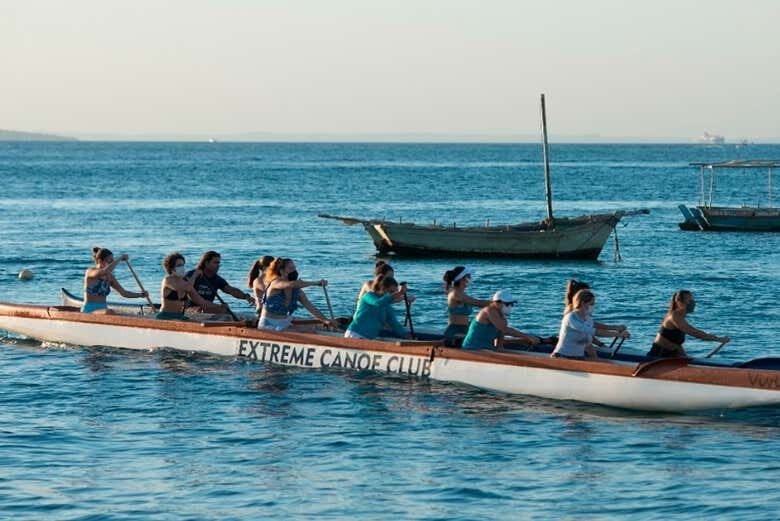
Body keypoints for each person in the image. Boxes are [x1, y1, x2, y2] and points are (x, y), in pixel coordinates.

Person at [258, 257, 336, 331]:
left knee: (310, 332)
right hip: (267, 324)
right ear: (282, 271)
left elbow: (312, 308)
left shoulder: (297, 292)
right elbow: (292, 284)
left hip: (284, 323)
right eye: (291, 268)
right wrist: (316, 283)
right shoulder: (275, 283)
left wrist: (326, 320)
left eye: (295, 268)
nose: (294, 271)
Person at [552, 289, 630, 360]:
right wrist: (618, 335)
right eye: (591, 303)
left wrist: (616, 327)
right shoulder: (571, 318)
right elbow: (595, 332)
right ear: (583, 303)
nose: (593, 306)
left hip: (578, 358)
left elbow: (595, 326)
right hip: (561, 356)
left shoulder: (587, 318)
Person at [648, 290, 729, 358]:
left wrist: (686, 358)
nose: (693, 303)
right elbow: (694, 333)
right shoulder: (674, 316)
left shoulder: (681, 317)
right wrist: (718, 339)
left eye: (693, 300)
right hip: (659, 355)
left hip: (672, 355)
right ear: (679, 302)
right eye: (689, 301)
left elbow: (675, 344)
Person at [461, 291, 541, 350]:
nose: (510, 307)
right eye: (507, 304)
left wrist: (526, 340)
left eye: (512, 304)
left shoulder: (503, 318)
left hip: (488, 348)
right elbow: (504, 329)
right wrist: (527, 336)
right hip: (473, 348)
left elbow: (499, 346)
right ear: (498, 303)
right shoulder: (488, 311)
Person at [156, 252, 225, 320]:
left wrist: (219, 306)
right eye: (179, 265)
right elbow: (187, 288)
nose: (182, 267)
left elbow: (202, 301)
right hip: (166, 315)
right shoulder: (168, 280)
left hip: (180, 316)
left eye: (183, 265)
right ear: (171, 268)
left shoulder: (184, 282)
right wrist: (194, 275)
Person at [563, 279, 628, 349]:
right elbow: (588, 331)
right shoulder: (573, 311)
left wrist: (615, 327)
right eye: (587, 294)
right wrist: (601, 344)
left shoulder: (583, 310)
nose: (590, 296)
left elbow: (591, 325)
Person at [184, 251, 255, 314]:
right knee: (211, 309)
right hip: (189, 310)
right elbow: (189, 293)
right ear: (206, 263)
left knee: (225, 311)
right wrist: (218, 306)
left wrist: (246, 297)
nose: (218, 265)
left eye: (219, 263)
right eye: (215, 262)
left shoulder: (217, 279)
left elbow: (231, 290)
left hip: (208, 308)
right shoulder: (192, 275)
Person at [82, 247, 148, 314]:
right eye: (109, 261)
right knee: (109, 312)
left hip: (103, 309)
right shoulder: (90, 272)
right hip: (89, 310)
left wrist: (140, 295)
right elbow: (105, 271)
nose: (112, 263)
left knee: (120, 313)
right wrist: (120, 258)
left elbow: (124, 293)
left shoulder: (109, 277)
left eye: (112, 261)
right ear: (100, 261)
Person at [346, 276, 410, 340]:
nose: (393, 294)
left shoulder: (387, 306)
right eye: (391, 292)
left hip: (368, 338)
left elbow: (394, 324)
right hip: (354, 334)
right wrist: (400, 293)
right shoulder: (369, 296)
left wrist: (407, 336)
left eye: (394, 292)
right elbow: (377, 303)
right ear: (383, 289)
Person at [442, 266, 491, 347]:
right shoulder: (456, 294)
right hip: (455, 333)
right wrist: (496, 302)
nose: (470, 279)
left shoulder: (461, 294)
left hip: (465, 329)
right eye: (468, 277)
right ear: (461, 279)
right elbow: (478, 303)